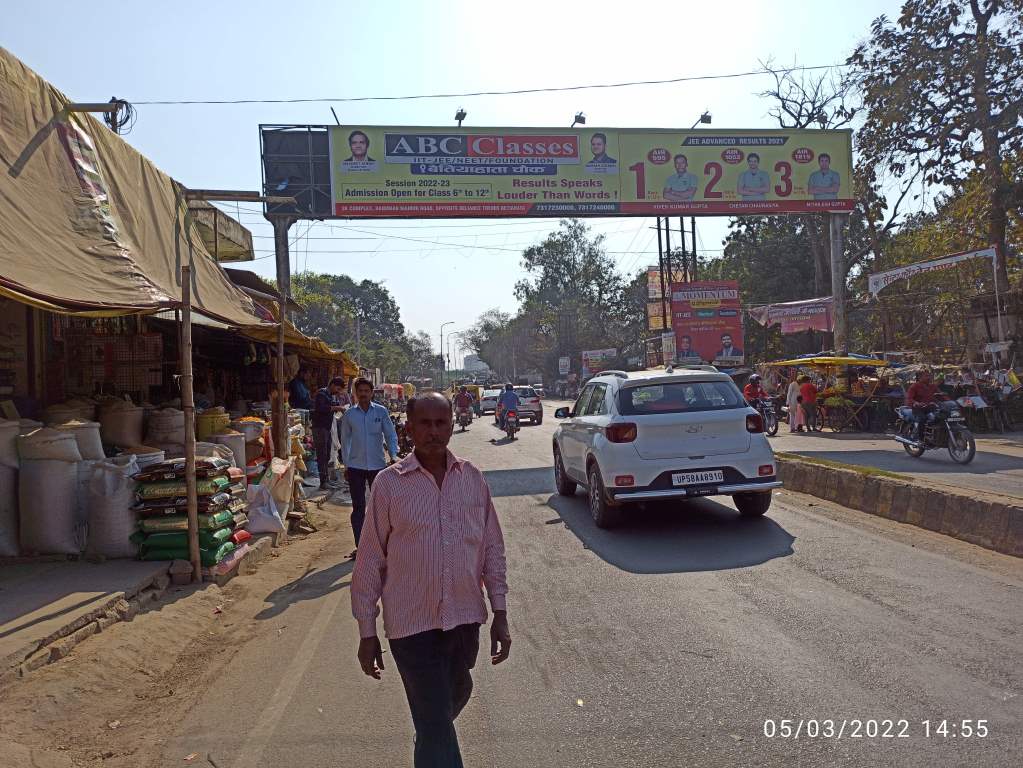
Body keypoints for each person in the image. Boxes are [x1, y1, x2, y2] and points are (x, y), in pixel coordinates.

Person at [351, 392, 511, 768]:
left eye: (441, 423)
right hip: (411, 625)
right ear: (410, 428)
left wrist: (500, 612)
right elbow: (370, 557)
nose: (433, 432)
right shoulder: (390, 485)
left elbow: (492, 548)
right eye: (425, 423)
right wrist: (366, 631)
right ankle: (434, 736)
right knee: (437, 724)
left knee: (452, 698)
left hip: (464, 619)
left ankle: (431, 733)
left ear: (452, 426)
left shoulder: (472, 478)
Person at [340, 377, 399, 549]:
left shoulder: (381, 412)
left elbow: (390, 434)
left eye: (367, 391)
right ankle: (361, 547)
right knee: (358, 507)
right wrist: (346, 465)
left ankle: (381, 546)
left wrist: (393, 455)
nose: (364, 394)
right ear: (356, 393)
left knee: (380, 508)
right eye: (360, 391)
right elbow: (345, 442)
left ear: (372, 393)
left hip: (378, 466)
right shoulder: (349, 415)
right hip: (355, 467)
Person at [312, 376, 346, 489]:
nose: (338, 391)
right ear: (333, 385)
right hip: (320, 428)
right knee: (322, 455)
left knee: (326, 455)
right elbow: (322, 408)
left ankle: (326, 479)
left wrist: (337, 407)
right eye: (338, 389)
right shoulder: (322, 393)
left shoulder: (330, 395)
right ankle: (323, 482)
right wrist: (337, 408)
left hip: (326, 428)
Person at [905, 369, 945, 440]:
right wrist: (916, 403)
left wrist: (952, 402)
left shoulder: (933, 386)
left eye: (929, 376)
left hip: (930, 407)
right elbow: (909, 398)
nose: (929, 377)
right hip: (918, 409)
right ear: (920, 377)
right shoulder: (914, 386)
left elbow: (942, 395)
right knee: (923, 419)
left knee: (941, 416)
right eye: (926, 376)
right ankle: (921, 439)